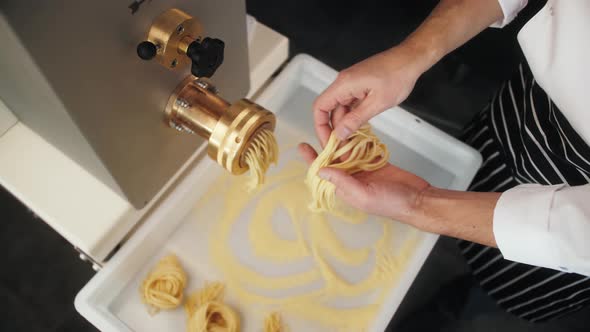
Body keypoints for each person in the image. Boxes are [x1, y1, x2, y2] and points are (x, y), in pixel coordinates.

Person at [299, 0, 590, 323]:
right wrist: (413, 53)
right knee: (466, 169)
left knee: (503, 285)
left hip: (571, 246)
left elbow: (577, 235)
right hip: (526, 109)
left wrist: (420, 204)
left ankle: (455, 305)